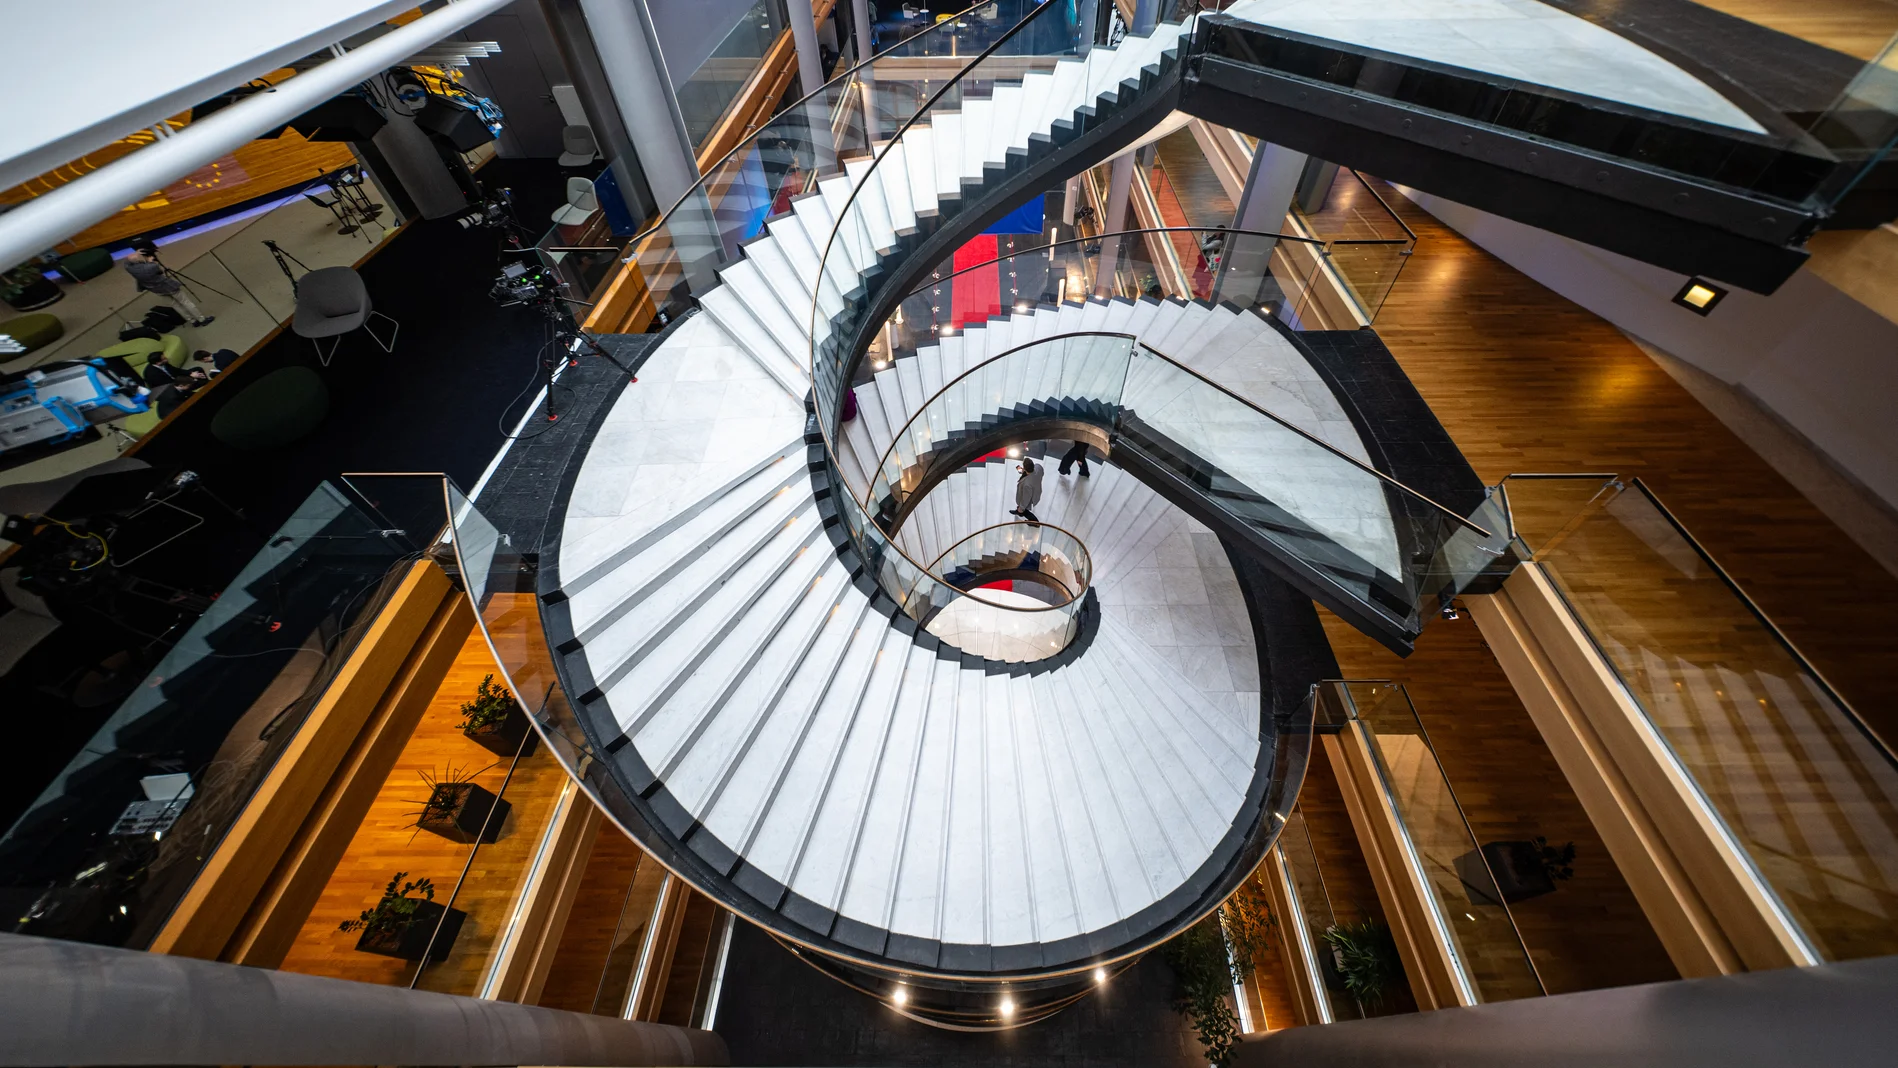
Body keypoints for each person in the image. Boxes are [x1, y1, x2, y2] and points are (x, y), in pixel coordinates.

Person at [122, 245, 214, 327]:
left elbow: (126, 261)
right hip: (168, 286)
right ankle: (202, 319)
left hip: (157, 290)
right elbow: (158, 270)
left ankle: (193, 321)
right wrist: (149, 261)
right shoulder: (151, 266)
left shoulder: (129, 268)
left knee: (176, 305)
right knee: (186, 302)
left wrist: (136, 254)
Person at [142, 353, 206, 393]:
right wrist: (191, 378)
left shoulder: (164, 363)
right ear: (158, 363)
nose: (167, 359)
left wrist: (190, 373)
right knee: (202, 382)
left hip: (176, 379)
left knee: (198, 369)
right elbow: (170, 384)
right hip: (171, 388)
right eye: (164, 359)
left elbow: (177, 370)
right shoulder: (153, 374)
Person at [1009, 455, 1043, 523]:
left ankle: (1034, 522)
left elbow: (1026, 499)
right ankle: (1021, 512)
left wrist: (1021, 508)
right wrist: (1022, 471)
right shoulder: (1038, 467)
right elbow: (1032, 473)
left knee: (1025, 510)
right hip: (1036, 490)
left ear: (1025, 468)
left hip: (1029, 498)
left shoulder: (1026, 485)